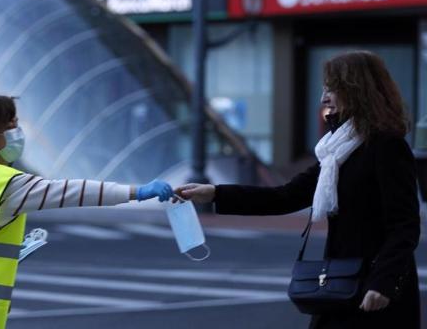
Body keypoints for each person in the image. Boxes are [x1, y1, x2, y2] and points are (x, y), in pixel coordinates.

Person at [175, 51, 421, 329]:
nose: (324, 97)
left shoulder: (386, 146)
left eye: (333, 88)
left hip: (375, 290)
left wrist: (383, 283)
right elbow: (285, 196)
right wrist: (216, 193)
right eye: (325, 88)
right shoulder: (336, 152)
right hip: (340, 282)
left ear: (357, 90)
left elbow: (405, 225)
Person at [0, 95, 173, 329]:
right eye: (11, 124)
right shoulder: (4, 183)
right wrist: (137, 192)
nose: (19, 130)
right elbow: (72, 191)